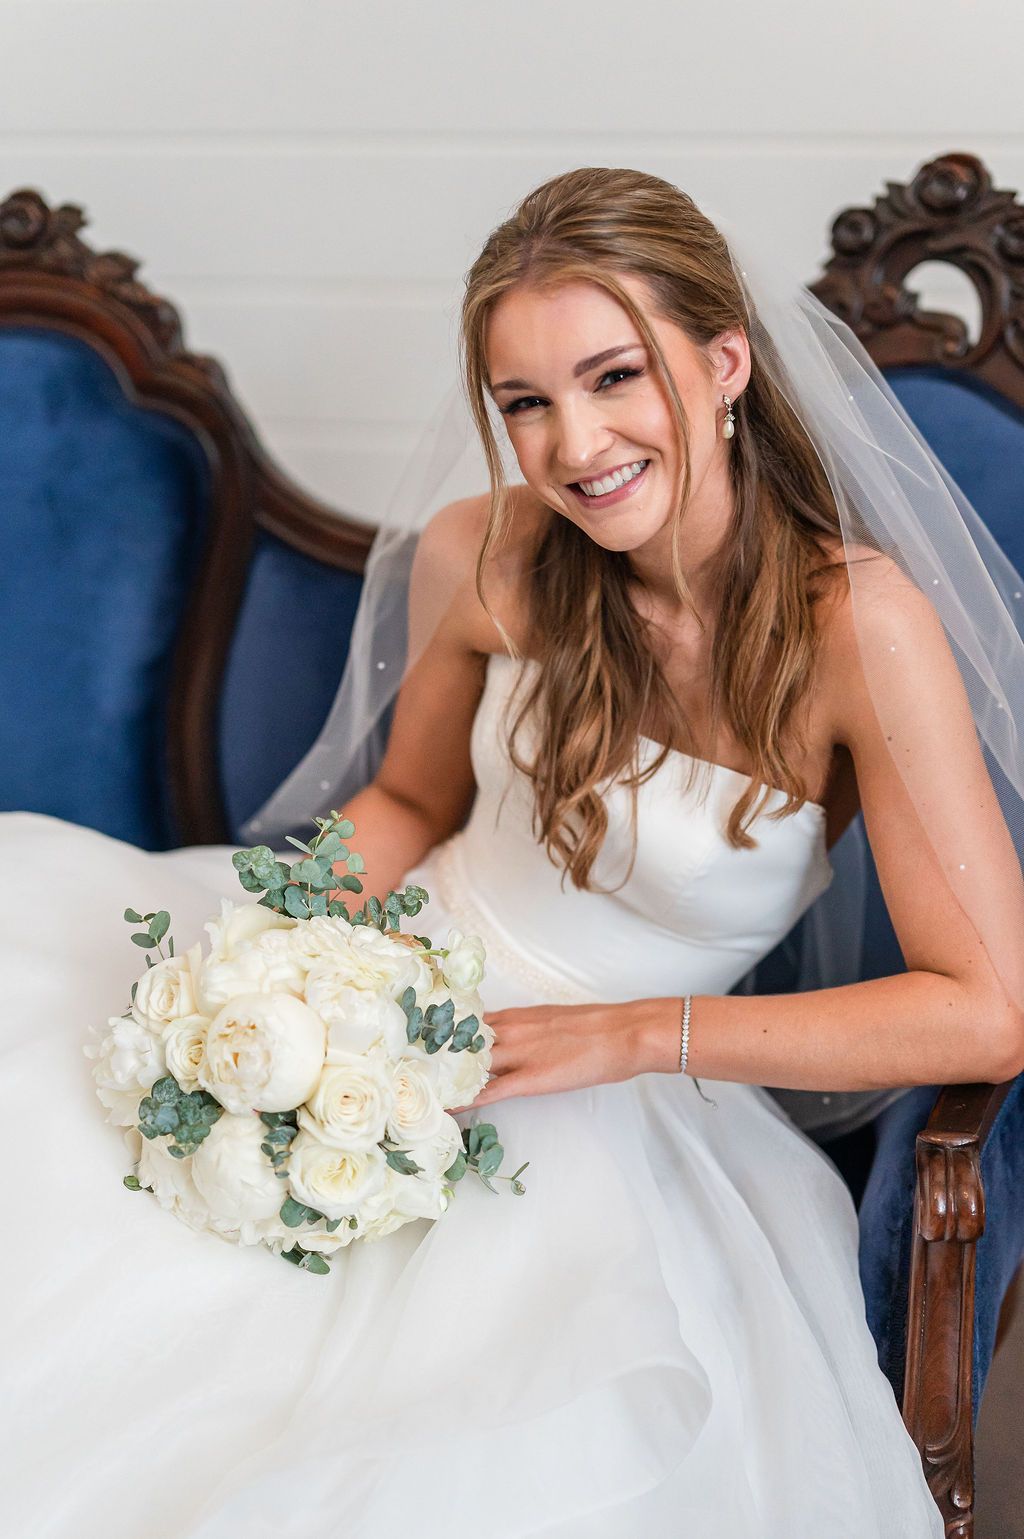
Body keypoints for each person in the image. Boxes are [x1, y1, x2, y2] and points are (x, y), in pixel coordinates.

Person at [5, 165, 1021, 1538]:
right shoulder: (485, 554)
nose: (574, 443)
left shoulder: (857, 630)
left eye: (617, 376)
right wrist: (281, 946)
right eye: (525, 401)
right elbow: (413, 804)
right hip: (375, 984)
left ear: (725, 363)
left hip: (626, 1085)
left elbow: (991, 1011)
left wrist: (623, 1039)